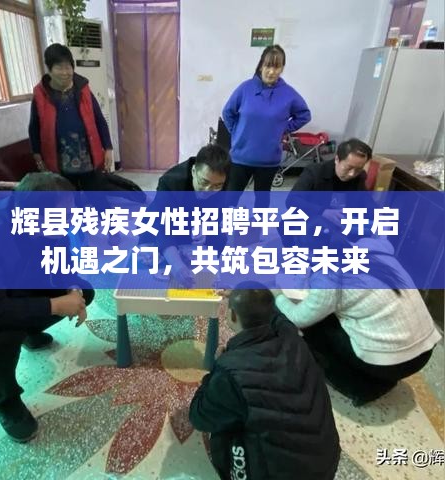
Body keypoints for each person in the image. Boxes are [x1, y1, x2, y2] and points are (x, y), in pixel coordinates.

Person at [0, 172, 95, 442]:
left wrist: (72, 288)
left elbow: (61, 261)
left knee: (86, 292)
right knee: (1, 335)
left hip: (21, 286)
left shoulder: (52, 219)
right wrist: (55, 304)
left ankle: (30, 332)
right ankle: (6, 402)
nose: (68, 224)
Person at [189, 284, 340, 480]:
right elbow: (280, 318)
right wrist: (249, 296)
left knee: (221, 426)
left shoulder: (231, 371)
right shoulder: (294, 339)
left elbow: (198, 416)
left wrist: (213, 372)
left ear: (232, 315)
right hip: (326, 466)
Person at [275, 235, 442, 407]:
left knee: (316, 327)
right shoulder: (374, 249)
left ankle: (360, 386)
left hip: (394, 363)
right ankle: (379, 375)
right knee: (332, 312)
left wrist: (278, 298)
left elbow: (299, 318)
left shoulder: (331, 276)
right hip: (424, 351)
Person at [223, 44, 311, 206]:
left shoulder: (288, 93)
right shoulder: (245, 89)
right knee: (230, 198)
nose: (271, 71)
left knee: (262, 199)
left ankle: (259, 223)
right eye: (268, 65)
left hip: (268, 159)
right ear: (261, 65)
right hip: (241, 157)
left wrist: (283, 128)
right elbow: (227, 113)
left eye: (277, 67)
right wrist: (236, 133)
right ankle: (224, 222)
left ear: (282, 68)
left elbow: (304, 115)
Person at [140, 144, 230, 287]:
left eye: (217, 186)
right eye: (204, 182)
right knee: (152, 259)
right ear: (194, 171)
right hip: (164, 222)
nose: (208, 190)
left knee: (219, 240)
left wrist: (207, 229)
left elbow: (218, 214)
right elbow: (161, 225)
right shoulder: (171, 182)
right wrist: (177, 265)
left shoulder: (223, 180)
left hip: (195, 222)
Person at [29, 43, 114, 190]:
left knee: (97, 197)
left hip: (88, 158)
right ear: (49, 70)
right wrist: (37, 154)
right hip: (60, 162)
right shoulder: (40, 96)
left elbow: (99, 119)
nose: (65, 72)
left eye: (68, 67)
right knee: (68, 198)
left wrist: (108, 147)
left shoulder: (83, 89)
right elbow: (34, 127)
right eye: (59, 68)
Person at [290, 137, 372, 225]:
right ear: (337, 159)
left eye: (358, 169)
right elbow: (292, 200)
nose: (352, 174)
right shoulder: (315, 171)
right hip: (311, 219)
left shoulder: (360, 176)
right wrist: (323, 211)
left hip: (338, 223)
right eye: (348, 168)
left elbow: (367, 202)